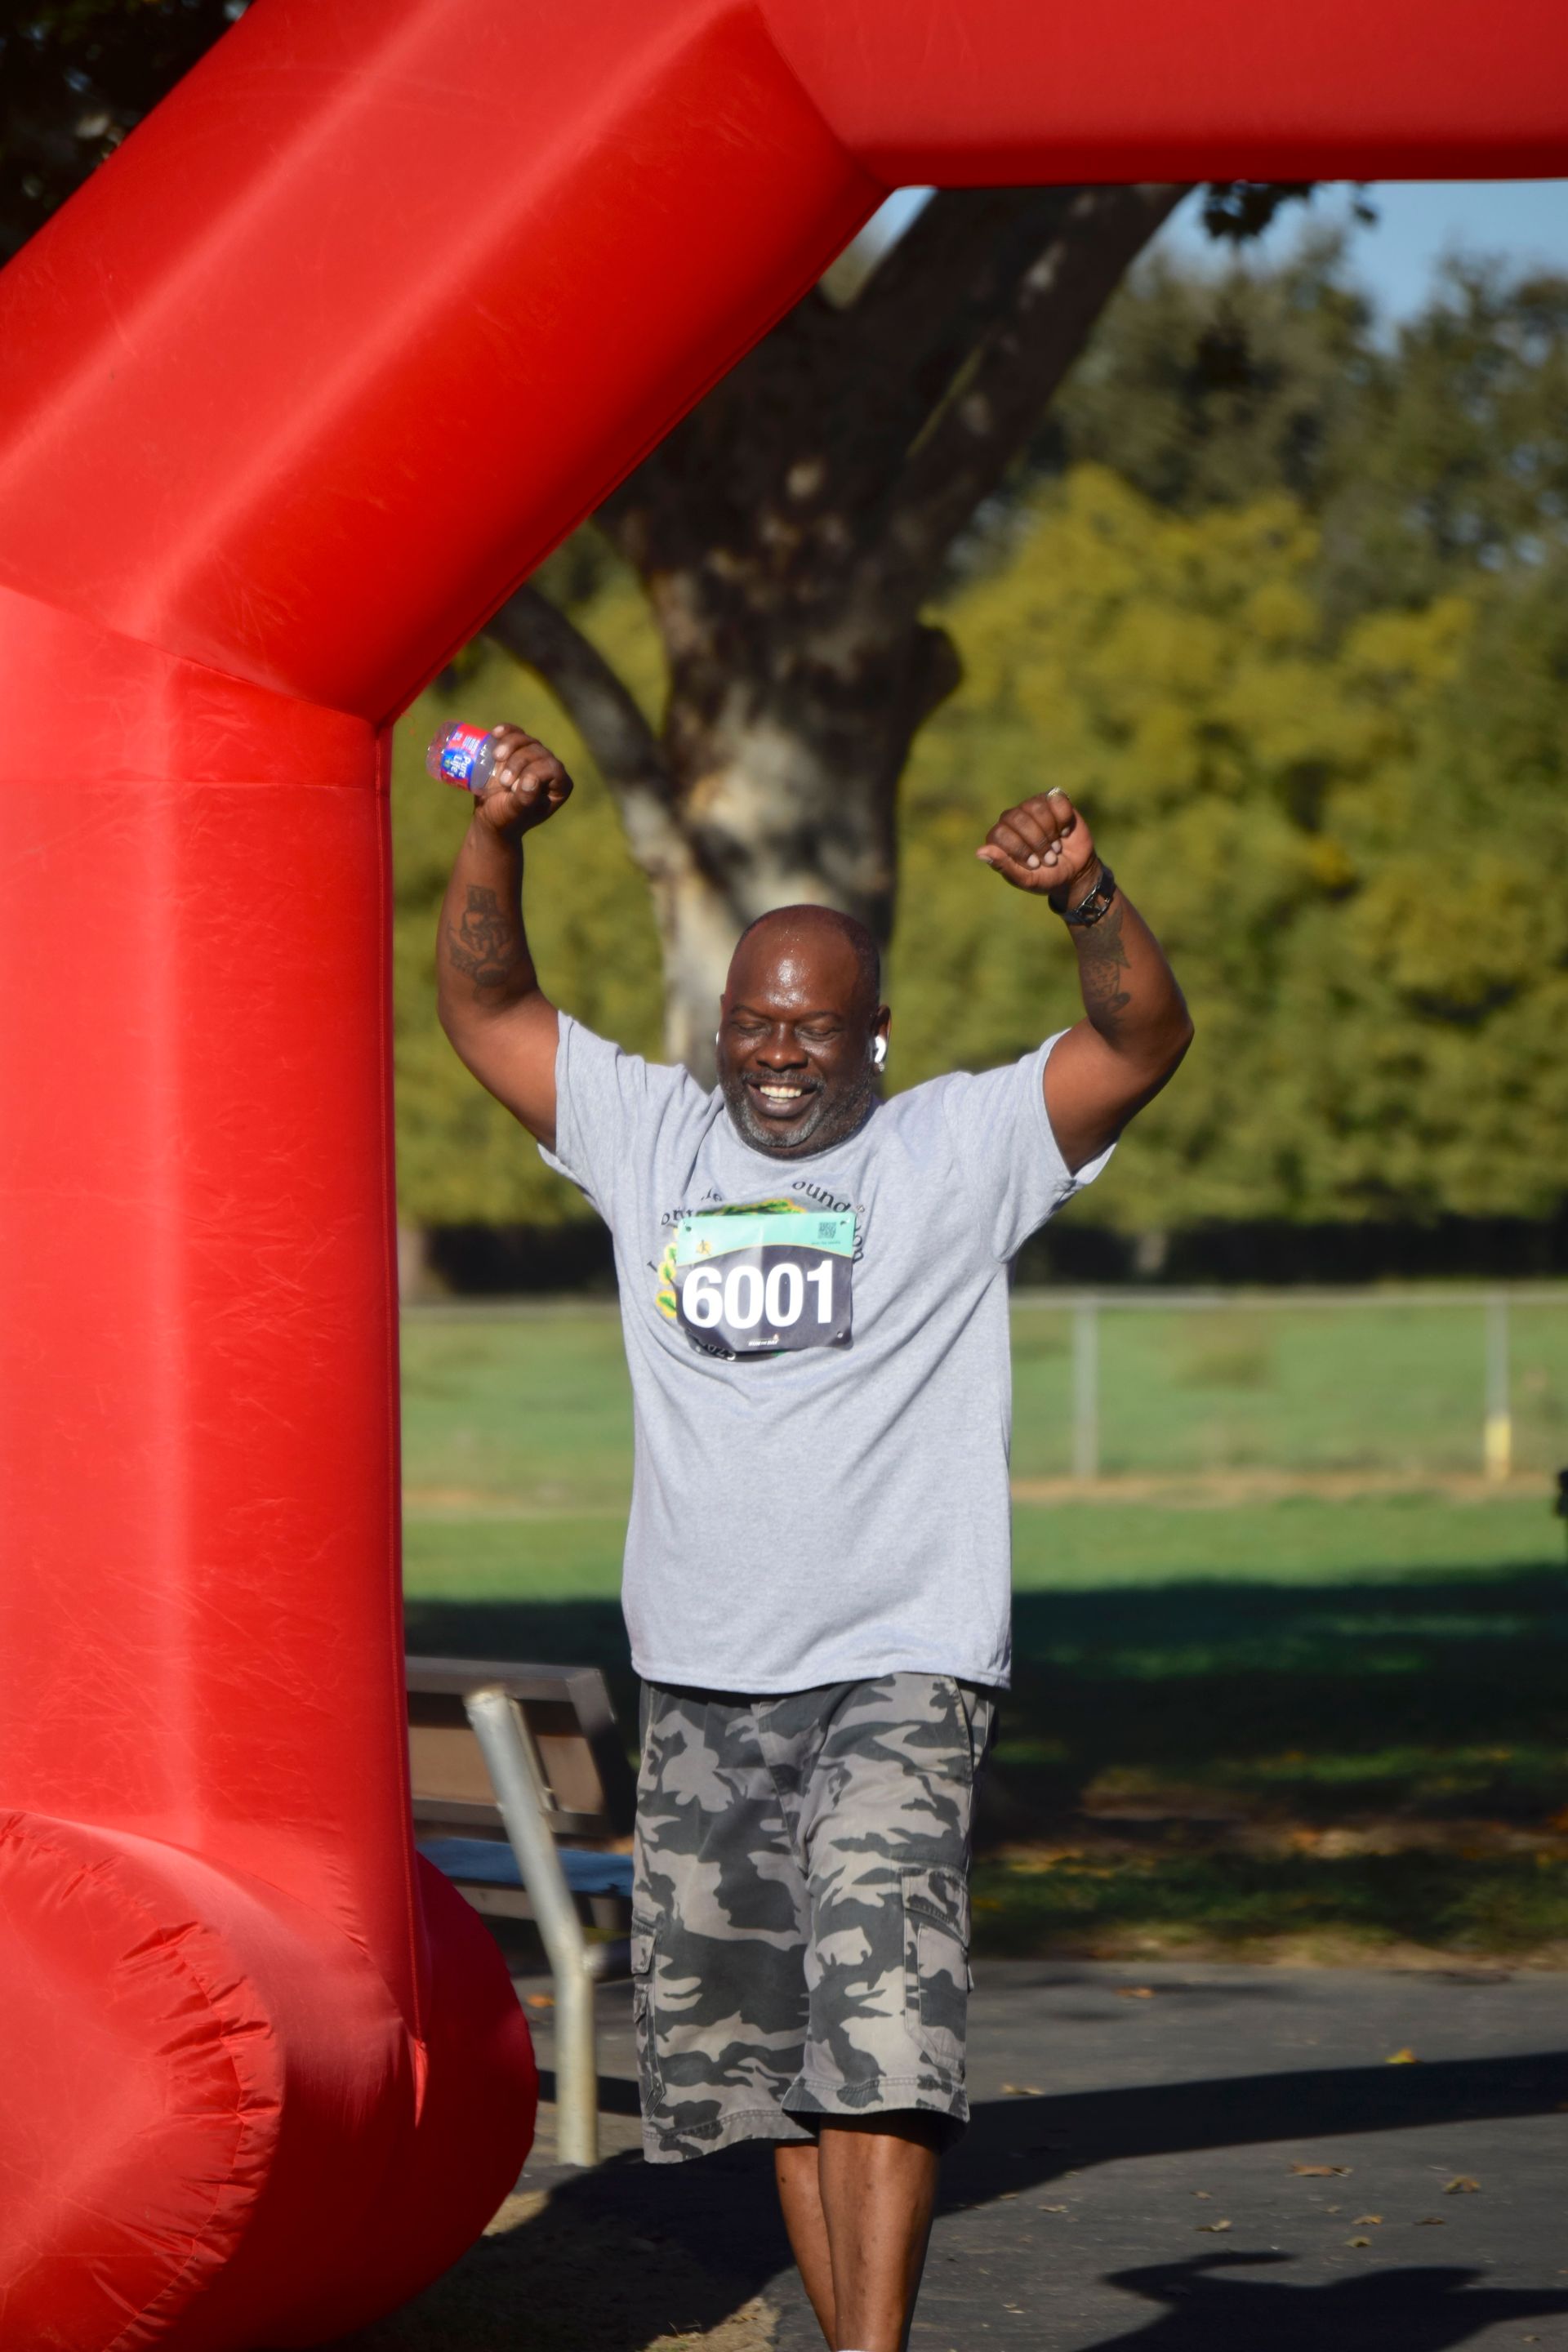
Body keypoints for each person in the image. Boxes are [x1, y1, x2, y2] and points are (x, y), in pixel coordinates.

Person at [436, 725, 1192, 2352]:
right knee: (778, 2060)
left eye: (818, 1032)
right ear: (723, 1027)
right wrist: (498, 835)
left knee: (885, 2023)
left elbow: (1137, 1044)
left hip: (899, 1664)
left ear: (877, 1038)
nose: (783, 1055)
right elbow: (487, 1010)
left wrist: (1088, 899)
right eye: (758, 1027)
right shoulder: (648, 1139)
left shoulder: (957, 1149)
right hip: (706, 1675)